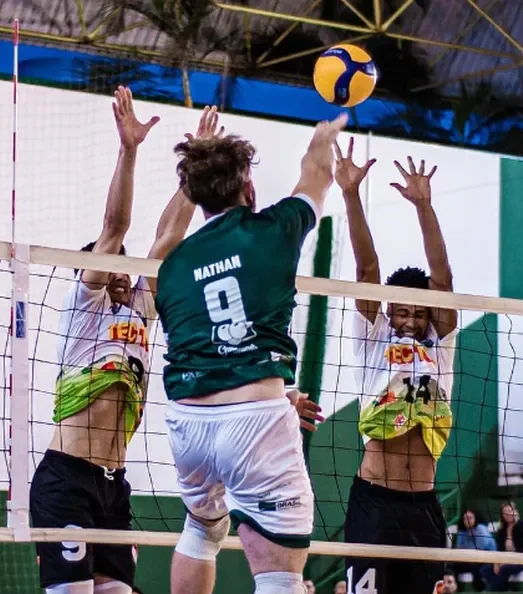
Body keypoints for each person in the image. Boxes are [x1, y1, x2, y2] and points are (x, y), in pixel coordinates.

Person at [155, 113, 347, 594]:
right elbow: (317, 175)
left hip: (188, 421)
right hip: (254, 421)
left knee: (201, 530)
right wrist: (322, 137)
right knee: (280, 574)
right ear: (249, 188)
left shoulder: (170, 263)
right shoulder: (274, 229)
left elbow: (167, 238)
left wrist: (199, 164)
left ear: (196, 196)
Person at [30, 89, 212, 594]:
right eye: (110, 265)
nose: (119, 273)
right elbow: (115, 227)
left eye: (123, 268)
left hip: (115, 485)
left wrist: (196, 167)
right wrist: (129, 150)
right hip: (67, 476)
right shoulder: (84, 307)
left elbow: (167, 238)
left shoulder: (139, 311)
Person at [333, 138, 458, 594]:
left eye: (418, 313)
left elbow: (442, 279)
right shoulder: (375, 337)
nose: (409, 320)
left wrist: (424, 206)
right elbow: (367, 269)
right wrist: (350, 194)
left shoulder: (440, 346)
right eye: (401, 311)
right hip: (375, 503)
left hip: (424, 504)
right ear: (389, 311)